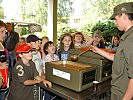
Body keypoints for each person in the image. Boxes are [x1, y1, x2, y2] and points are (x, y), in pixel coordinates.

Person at [90, 2, 133, 100]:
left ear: (123, 15)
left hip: (122, 93)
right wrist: (98, 50)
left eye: (116, 19)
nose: (115, 22)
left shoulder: (130, 40)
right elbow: (119, 58)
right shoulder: (127, 37)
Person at [0, 20, 9, 100]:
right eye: (1, 32)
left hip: (3, 84)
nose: (4, 35)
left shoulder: (1, 44)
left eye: (4, 32)